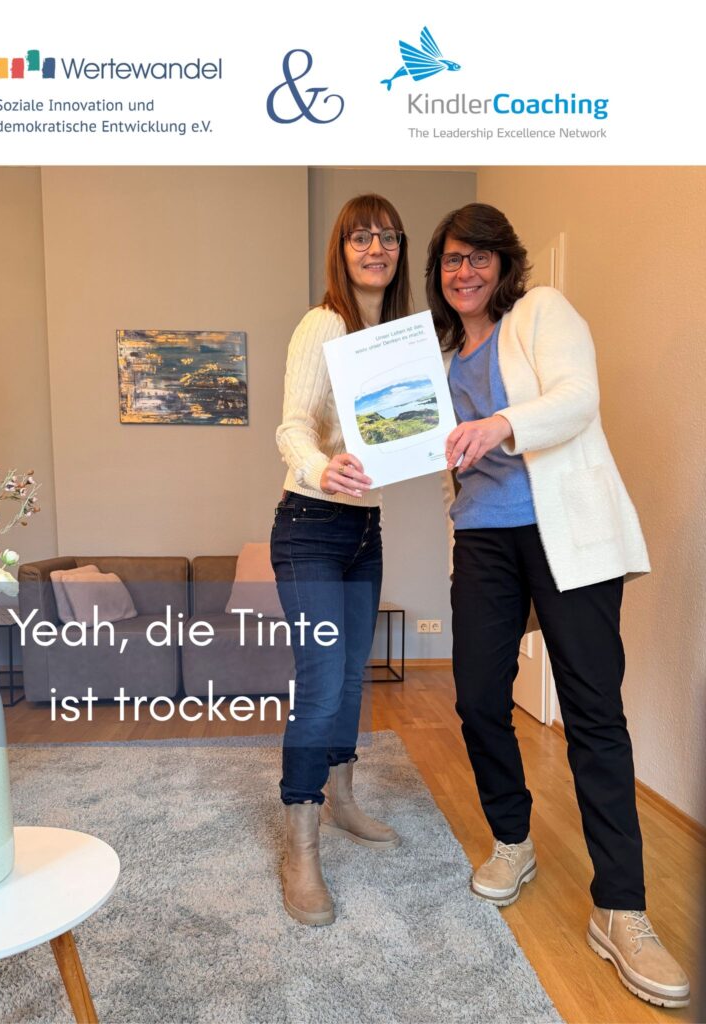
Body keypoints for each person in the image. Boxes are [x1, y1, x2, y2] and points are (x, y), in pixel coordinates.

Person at [425, 202, 689, 1008]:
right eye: (451, 260)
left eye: (478, 256)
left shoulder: (542, 311)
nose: (464, 271)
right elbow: (437, 450)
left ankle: (622, 910)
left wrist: (500, 422)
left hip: (563, 532)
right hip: (483, 540)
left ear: (503, 263)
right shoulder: (442, 355)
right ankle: (513, 839)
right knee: (477, 698)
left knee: (593, 712)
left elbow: (579, 398)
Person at [271, 194, 411, 926]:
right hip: (310, 527)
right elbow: (292, 427)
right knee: (322, 684)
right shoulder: (323, 323)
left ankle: (344, 799)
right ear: (342, 248)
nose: (375, 248)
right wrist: (322, 468)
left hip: (364, 532)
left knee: (353, 679)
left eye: (388, 236)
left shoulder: (393, 341)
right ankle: (301, 845)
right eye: (361, 236)